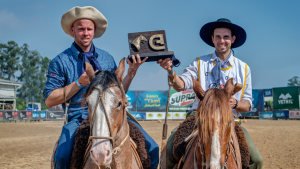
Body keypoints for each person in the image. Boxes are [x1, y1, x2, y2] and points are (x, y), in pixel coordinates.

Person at [43, 6, 159, 169]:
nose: (85, 33)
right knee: (61, 157)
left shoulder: (107, 58)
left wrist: (131, 73)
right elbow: (49, 100)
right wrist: (78, 83)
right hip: (78, 117)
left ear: (94, 31)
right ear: (72, 30)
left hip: (113, 115)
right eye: (81, 29)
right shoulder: (60, 61)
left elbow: (118, 94)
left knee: (153, 149)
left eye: (89, 29)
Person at [157, 18, 263, 169]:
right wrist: (171, 72)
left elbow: (247, 104)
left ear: (232, 39)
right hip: (198, 118)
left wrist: (236, 103)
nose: (222, 40)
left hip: (229, 121)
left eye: (226, 37)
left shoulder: (244, 68)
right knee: (167, 153)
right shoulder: (199, 63)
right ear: (212, 39)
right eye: (218, 37)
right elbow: (181, 85)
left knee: (257, 160)